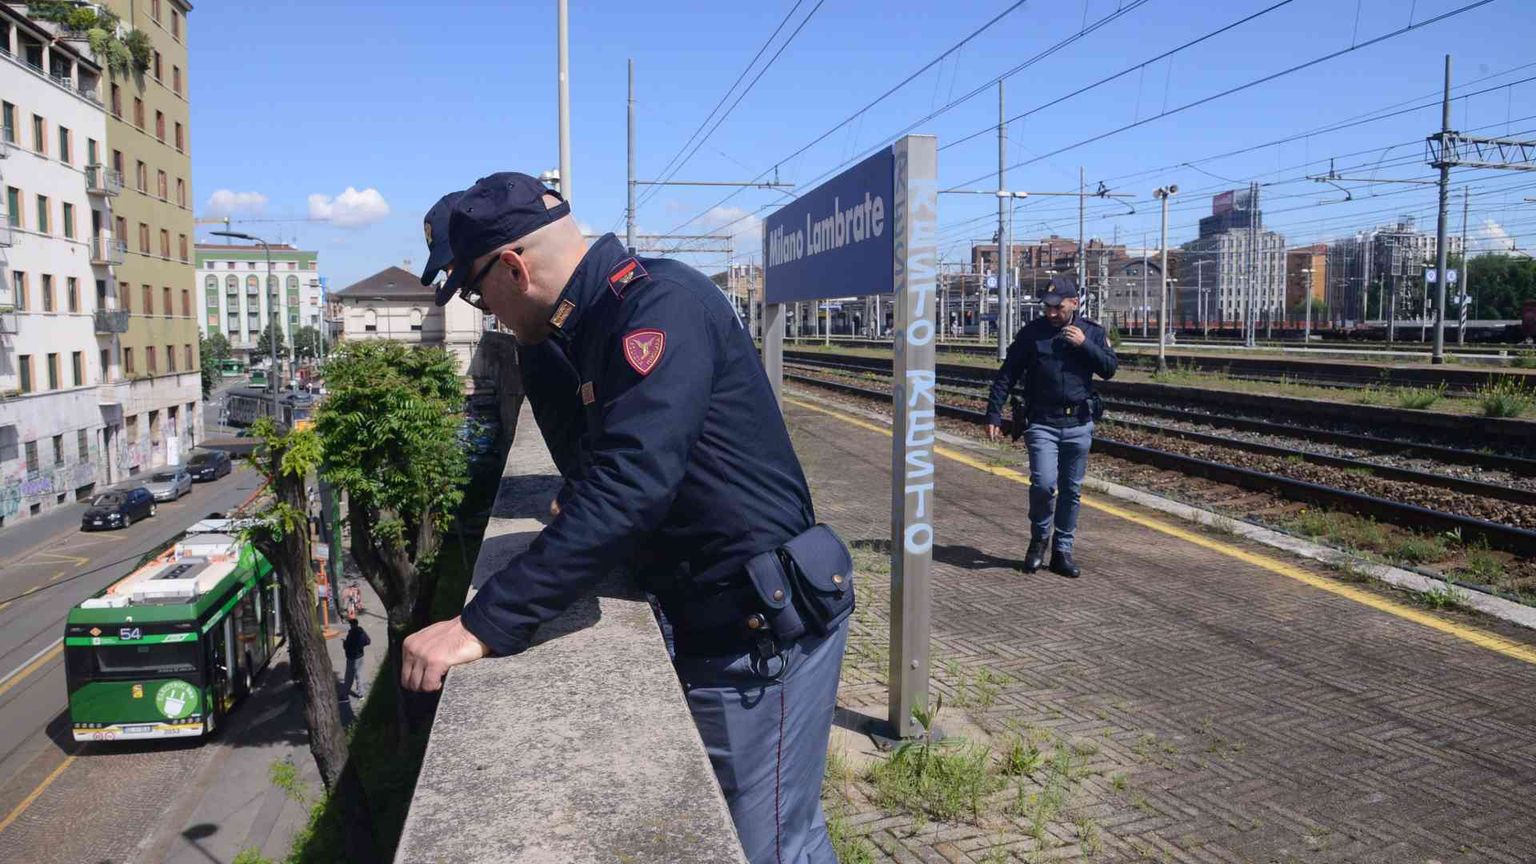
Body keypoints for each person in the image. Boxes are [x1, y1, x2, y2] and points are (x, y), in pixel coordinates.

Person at [401, 172, 853, 864]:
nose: (481, 308)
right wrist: (534, 344)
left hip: (761, 630)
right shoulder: (588, 322)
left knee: (771, 846)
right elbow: (592, 466)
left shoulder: (655, 308)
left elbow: (629, 487)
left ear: (514, 267)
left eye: (474, 289)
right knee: (759, 828)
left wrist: (481, 623)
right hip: (713, 618)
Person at [984, 273, 1117, 578]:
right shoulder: (1033, 334)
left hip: (1079, 422)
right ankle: (1038, 540)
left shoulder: (1091, 332)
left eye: (1058, 308)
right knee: (1043, 485)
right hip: (1042, 422)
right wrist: (993, 413)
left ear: (1074, 303)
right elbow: (1007, 374)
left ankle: (1062, 551)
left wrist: (1085, 345)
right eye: (1048, 307)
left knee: (1071, 490)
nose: (1052, 313)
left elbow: (1109, 369)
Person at [342, 615, 371, 698]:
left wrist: (344, 644)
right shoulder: (361, 631)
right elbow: (368, 641)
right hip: (360, 656)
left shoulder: (351, 634)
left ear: (352, 625)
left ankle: (345, 695)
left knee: (349, 676)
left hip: (352, 657)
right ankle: (361, 693)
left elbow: (347, 647)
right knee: (359, 675)